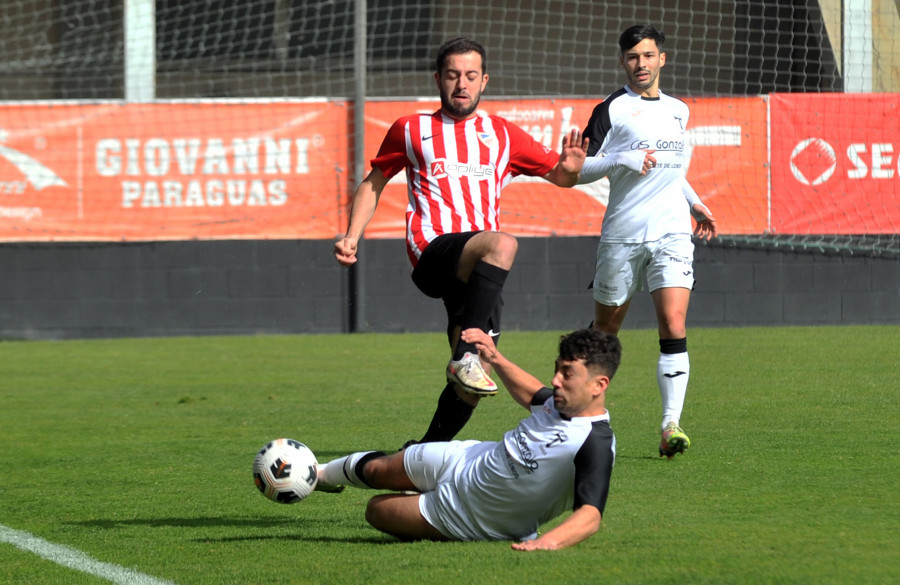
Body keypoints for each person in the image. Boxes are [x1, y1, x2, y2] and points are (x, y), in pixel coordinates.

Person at [334, 37, 589, 446]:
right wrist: (351, 237)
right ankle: (465, 358)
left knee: (471, 383)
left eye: (471, 76)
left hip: (477, 271)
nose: (461, 84)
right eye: (453, 75)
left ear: (484, 80)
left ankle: (421, 456)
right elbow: (374, 182)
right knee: (503, 244)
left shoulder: (502, 134)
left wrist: (572, 169)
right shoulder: (411, 128)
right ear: (438, 78)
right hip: (432, 250)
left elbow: (559, 176)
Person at [315, 327, 619, 550]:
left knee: (376, 509)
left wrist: (547, 543)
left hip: (469, 516)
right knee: (375, 470)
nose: (555, 380)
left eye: (567, 373)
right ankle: (316, 474)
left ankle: (418, 497)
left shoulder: (595, 442)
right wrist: (495, 358)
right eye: (556, 369)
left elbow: (590, 514)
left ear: (598, 385)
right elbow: (531, 392)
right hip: (465, 459)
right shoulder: (559, 400)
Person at [576, 24, 717, 459]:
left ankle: (670, 425)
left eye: (649, 55)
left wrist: (695, 202)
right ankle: (580, 414)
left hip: (673, 231)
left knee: (673, 324)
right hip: (622, 236)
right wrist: (623, 157)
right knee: (605, 331)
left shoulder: (679, 110)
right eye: (633, 56)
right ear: (623, 61)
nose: (642, 63)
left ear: (662, 59)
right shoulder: (611, 109)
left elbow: (672, 170)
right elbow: (577, 168)